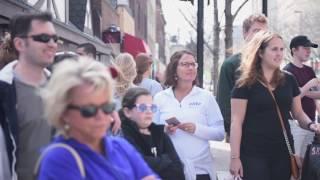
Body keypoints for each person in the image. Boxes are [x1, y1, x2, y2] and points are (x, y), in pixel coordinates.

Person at [37, 57, 157, 180]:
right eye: (89, 110)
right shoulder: (59, 159)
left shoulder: (121, 147)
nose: (101, 117)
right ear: (63, 112)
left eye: (107, 107)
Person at [229, 31, 320, 180]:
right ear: (260, 53)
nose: (279, 54)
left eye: (281, 49)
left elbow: (298, 113)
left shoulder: (289, 80)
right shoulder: (244, 84)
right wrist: (234, 157)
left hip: (282, 152)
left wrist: (311, 125)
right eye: (274, 49)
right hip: (253, 154)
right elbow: (236, 122)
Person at [0, 12, 57, 180]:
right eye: (44, 38)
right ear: (20, 44)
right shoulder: (4, 91)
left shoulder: (60, 87)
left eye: (55, 38)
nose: (53, 44)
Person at [154, 50, 225, 180]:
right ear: (174, 69)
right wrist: (164, 129)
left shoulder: (206, 97)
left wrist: (196, 129)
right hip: (169, 169)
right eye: (185, 64)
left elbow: (220, 133)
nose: (190, 67)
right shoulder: (160, 98)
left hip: (200, 171)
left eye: (193, 64)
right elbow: (151, 130)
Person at [216, 14, 268, 142]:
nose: (260, 36)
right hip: (242, 136)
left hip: (269, 135)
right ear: (245, 33)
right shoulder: (231, 65)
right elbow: (224, 105)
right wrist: (236, 130)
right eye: (256, 31)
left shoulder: (271, 64)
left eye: (264, 33)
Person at [120, 87, 185, 179]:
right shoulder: (121, 134)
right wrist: (166, 160)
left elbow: (178, 170)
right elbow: (137, 165)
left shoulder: (160, 133)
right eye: (142, 107)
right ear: (127, 112)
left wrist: (154, 163)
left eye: (152, 107)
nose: (149, 112)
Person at [283, 35, 319, 164]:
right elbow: (292, 97)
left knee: (307, 163)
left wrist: (303, 91)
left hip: (311, 123)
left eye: (309, 48)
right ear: (294, 50)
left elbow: (318, 94)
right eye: (305, 48)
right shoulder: (287, 72)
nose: (308, 51)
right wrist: (309, 86)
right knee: (294, 162)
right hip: (295, 124)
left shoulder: (309, 70)